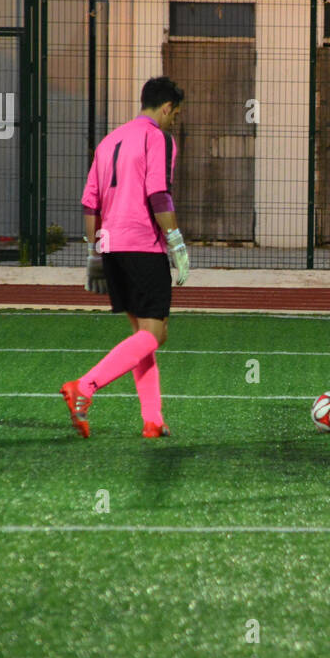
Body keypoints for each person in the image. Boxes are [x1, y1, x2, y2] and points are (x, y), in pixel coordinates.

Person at [60, 76, 191, 439]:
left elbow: (90, 202)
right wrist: (176, 243)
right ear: (166, 108)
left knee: (142, 335)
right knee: (156, 333)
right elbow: (158, 193)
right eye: (174, 115)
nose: (173, 121)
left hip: (112, 245)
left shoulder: (108, 140)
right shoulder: (159, 138)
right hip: (142, 246)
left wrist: (95, 253)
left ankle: (153, 419)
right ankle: (84, 386)